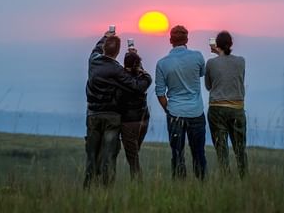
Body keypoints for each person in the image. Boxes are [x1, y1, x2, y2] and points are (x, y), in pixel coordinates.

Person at [83, 30, 151, 189]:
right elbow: (137, 87)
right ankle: (106, 188)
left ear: (104, 48)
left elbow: (96, 48)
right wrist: (141, 68)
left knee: (92, 153)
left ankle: (88, 186)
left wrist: (105, 36)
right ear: (118, 52)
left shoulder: (93, 60)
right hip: (112, 117)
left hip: (92, 114)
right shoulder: (118, 70)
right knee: (109, 154)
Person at [155, 25, 207, 180]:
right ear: (187, 40)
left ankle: (179, 185)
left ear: (170, 40)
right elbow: (202, 73)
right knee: (199, 153)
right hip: (196, 112)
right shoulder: (198, 56)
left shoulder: (162, 63)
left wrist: (168, 109)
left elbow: (160, 93)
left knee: (177, 154)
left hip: (175, 112)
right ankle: (202, 184)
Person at [205, 30, 248, 178]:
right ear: (231, 44)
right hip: (237, 108)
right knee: (240, 148)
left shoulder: (211, 63)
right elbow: (235, 78)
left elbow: (208, 86)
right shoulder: (241, 61)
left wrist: (218, 56)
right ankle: (244, 177)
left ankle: (226, 178)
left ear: (216, 45)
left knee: (221, 148)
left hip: (217, 108)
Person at [119, 51, 152, 180]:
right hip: (143, 120)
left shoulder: (120, 79)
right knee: (134, 152)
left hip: (128, 121)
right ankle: (136, 181)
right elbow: (141, 72)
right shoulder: (145, 79)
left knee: (132, 157)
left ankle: (137, 183)